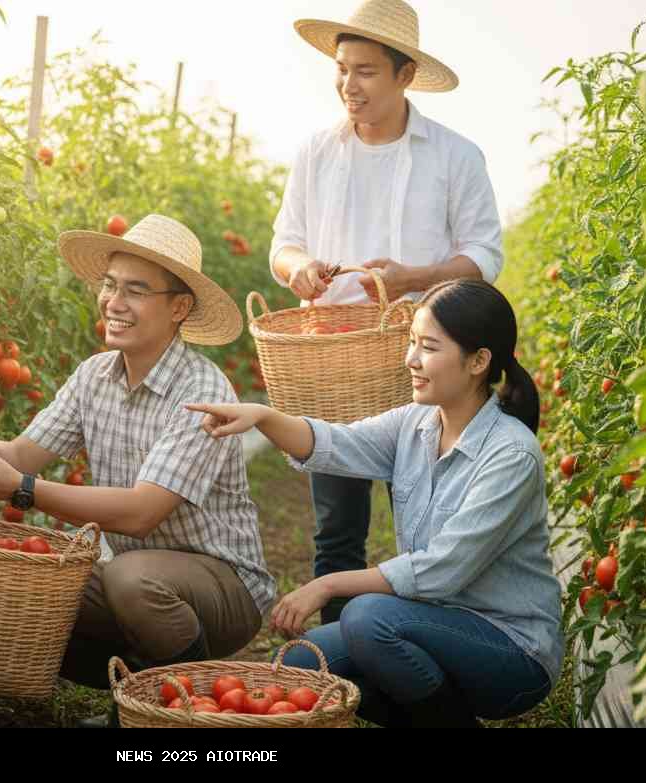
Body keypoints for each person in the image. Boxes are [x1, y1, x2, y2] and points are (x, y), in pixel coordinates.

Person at [0, 214, 275, 728]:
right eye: (110, 285)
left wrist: (22, 490)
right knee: (32, 590)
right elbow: (21, 454)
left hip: (224, 585)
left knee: (131, 579)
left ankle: (187, 710)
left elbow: (141, 514)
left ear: (179, 307)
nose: (114, 301)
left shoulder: (202, 392)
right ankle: (140, 687)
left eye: (136, 290)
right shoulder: (95, 375)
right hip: (136, 580)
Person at [187, 280, 561, 727]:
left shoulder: (510, 454)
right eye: (411, 342)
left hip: (512, 650)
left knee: (368, 618)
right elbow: (335, 443)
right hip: (432, 623)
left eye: (428, 347)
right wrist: (263, 417)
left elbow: (443, 569)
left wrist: (328, 585)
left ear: (478, 361)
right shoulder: (415, 424)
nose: (411, 359)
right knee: (304, 668)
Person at [269, 0, 504, 623]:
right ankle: (336, 657)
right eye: (342, 69)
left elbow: (485, 255)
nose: (349, 84)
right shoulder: (316, 152)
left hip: (422, 359)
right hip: (335, 359)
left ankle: (417, 646)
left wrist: (415, 278)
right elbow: (283, 244)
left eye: (366, 71)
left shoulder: (454, 156)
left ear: (406, 75)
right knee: (336, 529)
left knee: (427, 528)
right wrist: (299, 268)